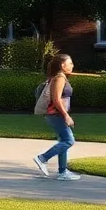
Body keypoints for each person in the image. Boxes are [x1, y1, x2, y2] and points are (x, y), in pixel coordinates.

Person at [33, 53, 81, 181]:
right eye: (70, 63)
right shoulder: (59, 78)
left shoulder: (60, 77)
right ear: (62, 65)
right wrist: (66, 115)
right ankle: (42, 158)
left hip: (57, 114)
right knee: (69, 141)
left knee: (63, 140)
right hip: (55, 114)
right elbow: (56, 99)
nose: (72, 65)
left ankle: (62, 171)